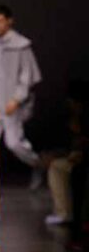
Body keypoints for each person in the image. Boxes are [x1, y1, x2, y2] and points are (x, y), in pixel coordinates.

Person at [0, 4, 43, 188]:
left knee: (14, 143)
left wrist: (17, 99)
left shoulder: (21, 45)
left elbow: (27, 75)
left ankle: (38, 165)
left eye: (0, 21)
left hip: (11, 102)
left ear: (9, 21)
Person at [44, 82, 88, 225]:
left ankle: (75, 215)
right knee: (56, 166)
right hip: (75, 158)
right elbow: (70, 145)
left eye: (74, 103)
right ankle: (64, 213)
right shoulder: (71, 118)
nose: (72, 105)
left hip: (83, 160)